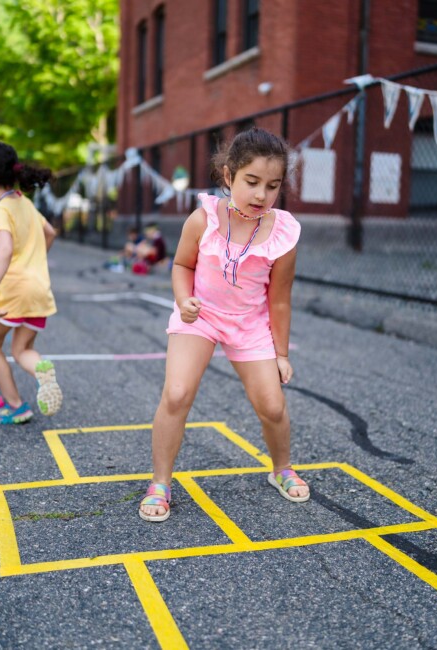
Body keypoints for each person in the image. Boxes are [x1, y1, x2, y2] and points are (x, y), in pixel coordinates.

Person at [139, 127, 309, 522]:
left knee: (272, 404)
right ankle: (160, 483)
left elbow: (279, 299)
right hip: (201, 317)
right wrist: (184, 301)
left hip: (250, 324)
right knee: (177, 393)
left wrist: (280, 353)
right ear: (228, 176)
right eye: (251, 182)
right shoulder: (203, 219)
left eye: (272, 185)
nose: (261, 195)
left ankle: (281, 468)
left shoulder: (283, 232)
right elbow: (182, 265)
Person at [0, 141, 62, 425]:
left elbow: (4, 250)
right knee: (21, 349)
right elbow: (49, 232)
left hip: (11, 290)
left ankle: (15, 405)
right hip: (38, 289)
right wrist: (34, 262)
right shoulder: (24, 202)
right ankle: (41, 370)